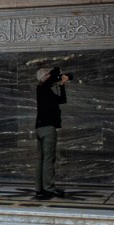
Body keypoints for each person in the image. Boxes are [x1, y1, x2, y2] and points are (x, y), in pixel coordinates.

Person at [34, 66, 70, 200]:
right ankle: (48, 188)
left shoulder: (44, 91)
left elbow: (61, 100)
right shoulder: (42, 88)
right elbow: (52, 75)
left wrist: (62, 84)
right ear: (45, 77)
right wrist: (56, 73)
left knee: (41, 160)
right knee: (48, 160)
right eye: (48, 75)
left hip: (40, 128)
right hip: (47, 129)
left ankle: (40, 188)